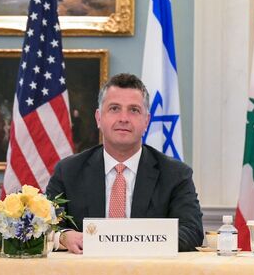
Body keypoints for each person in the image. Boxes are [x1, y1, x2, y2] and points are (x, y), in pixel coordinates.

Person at [46, 73, 203, 253]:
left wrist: (128, 242)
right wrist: (63, 236)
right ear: (98, 118)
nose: (124, 118)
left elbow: (192, 232)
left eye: (134, 110)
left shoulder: (175, 174)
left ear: (146, 121)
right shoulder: (68, 171)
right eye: (114, 108)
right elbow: (45, 225)